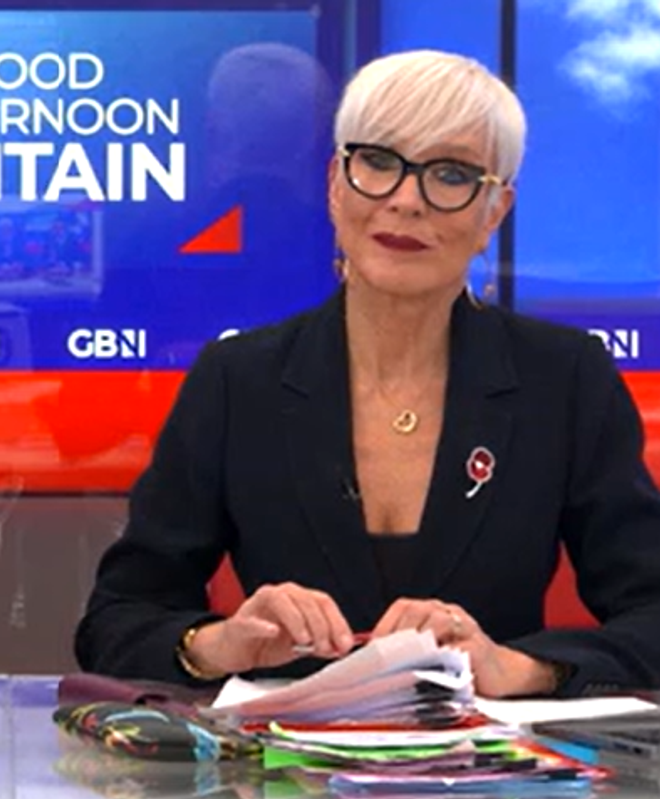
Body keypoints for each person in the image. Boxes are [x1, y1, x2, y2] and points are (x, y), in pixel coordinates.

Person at [75, 49, 660, 698]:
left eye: (450, 173)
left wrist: (516, 666)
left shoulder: (565, 379)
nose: (406, 200)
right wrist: (221, 643)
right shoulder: (238, 380)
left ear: (494, 210)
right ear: (334, 182)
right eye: (378, 163)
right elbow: (116, 621)